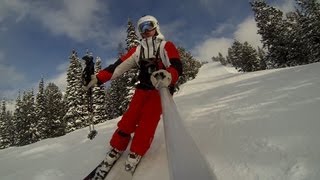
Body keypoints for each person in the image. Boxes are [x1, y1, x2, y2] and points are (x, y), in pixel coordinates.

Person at [86, 15, 183, 170]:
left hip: (160, 91)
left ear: (156, 27)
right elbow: (117, 67)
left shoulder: (165, 46)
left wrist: (170, 75)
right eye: (142, 28)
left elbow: (176, 64)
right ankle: (117, 146)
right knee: (128, 119)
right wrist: (98, 78)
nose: (146, 31)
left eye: (148, 26)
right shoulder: (138, 50)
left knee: (147, 123)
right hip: (142, 90)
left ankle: (136, 151)